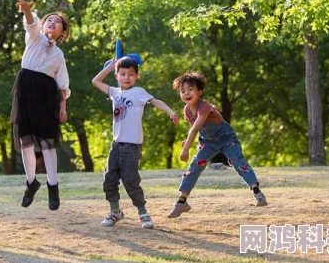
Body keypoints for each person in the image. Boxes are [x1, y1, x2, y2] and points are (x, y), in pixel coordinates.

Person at [92, 57, 180, 229]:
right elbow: (95, 81)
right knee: (109, 180)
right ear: (116, 76)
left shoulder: (139, 92)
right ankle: (115, 211)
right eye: (122, 74)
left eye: (131, 74)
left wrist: (170, 112)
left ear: (137, 76)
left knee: (131, 180)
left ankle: (143, 213)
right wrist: (110, 67)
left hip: (132, 147)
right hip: (116, 145)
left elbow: (156, 102)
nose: (126, 77)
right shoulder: (114, 92)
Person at [168, 71, 268, 218]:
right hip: (208, 142)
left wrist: (186, 149)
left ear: (200, 91)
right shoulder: (187, 110)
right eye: (182, 91)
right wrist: (187, 140)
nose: (186, 93)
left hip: (227, 140)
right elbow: (193, 128)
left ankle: (257, 192)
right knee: (195, 166)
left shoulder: (205, 107)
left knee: (238, 161)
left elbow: (196, 128)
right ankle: (182, 202)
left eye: (190, 90)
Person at [11, 0, 70, 211]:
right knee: (25, 141)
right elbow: (31, 22)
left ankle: (53, 187)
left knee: (48, 143)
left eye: (57, 22)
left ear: (62, 32)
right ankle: (31, 183)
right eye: (49, 20)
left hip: (47, 94)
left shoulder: (59, 55)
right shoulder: (34, 39)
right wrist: (27, 9)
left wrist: (62, 106)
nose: (52, 23)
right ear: (43, 26)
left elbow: (62, 84)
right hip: (25, 90)